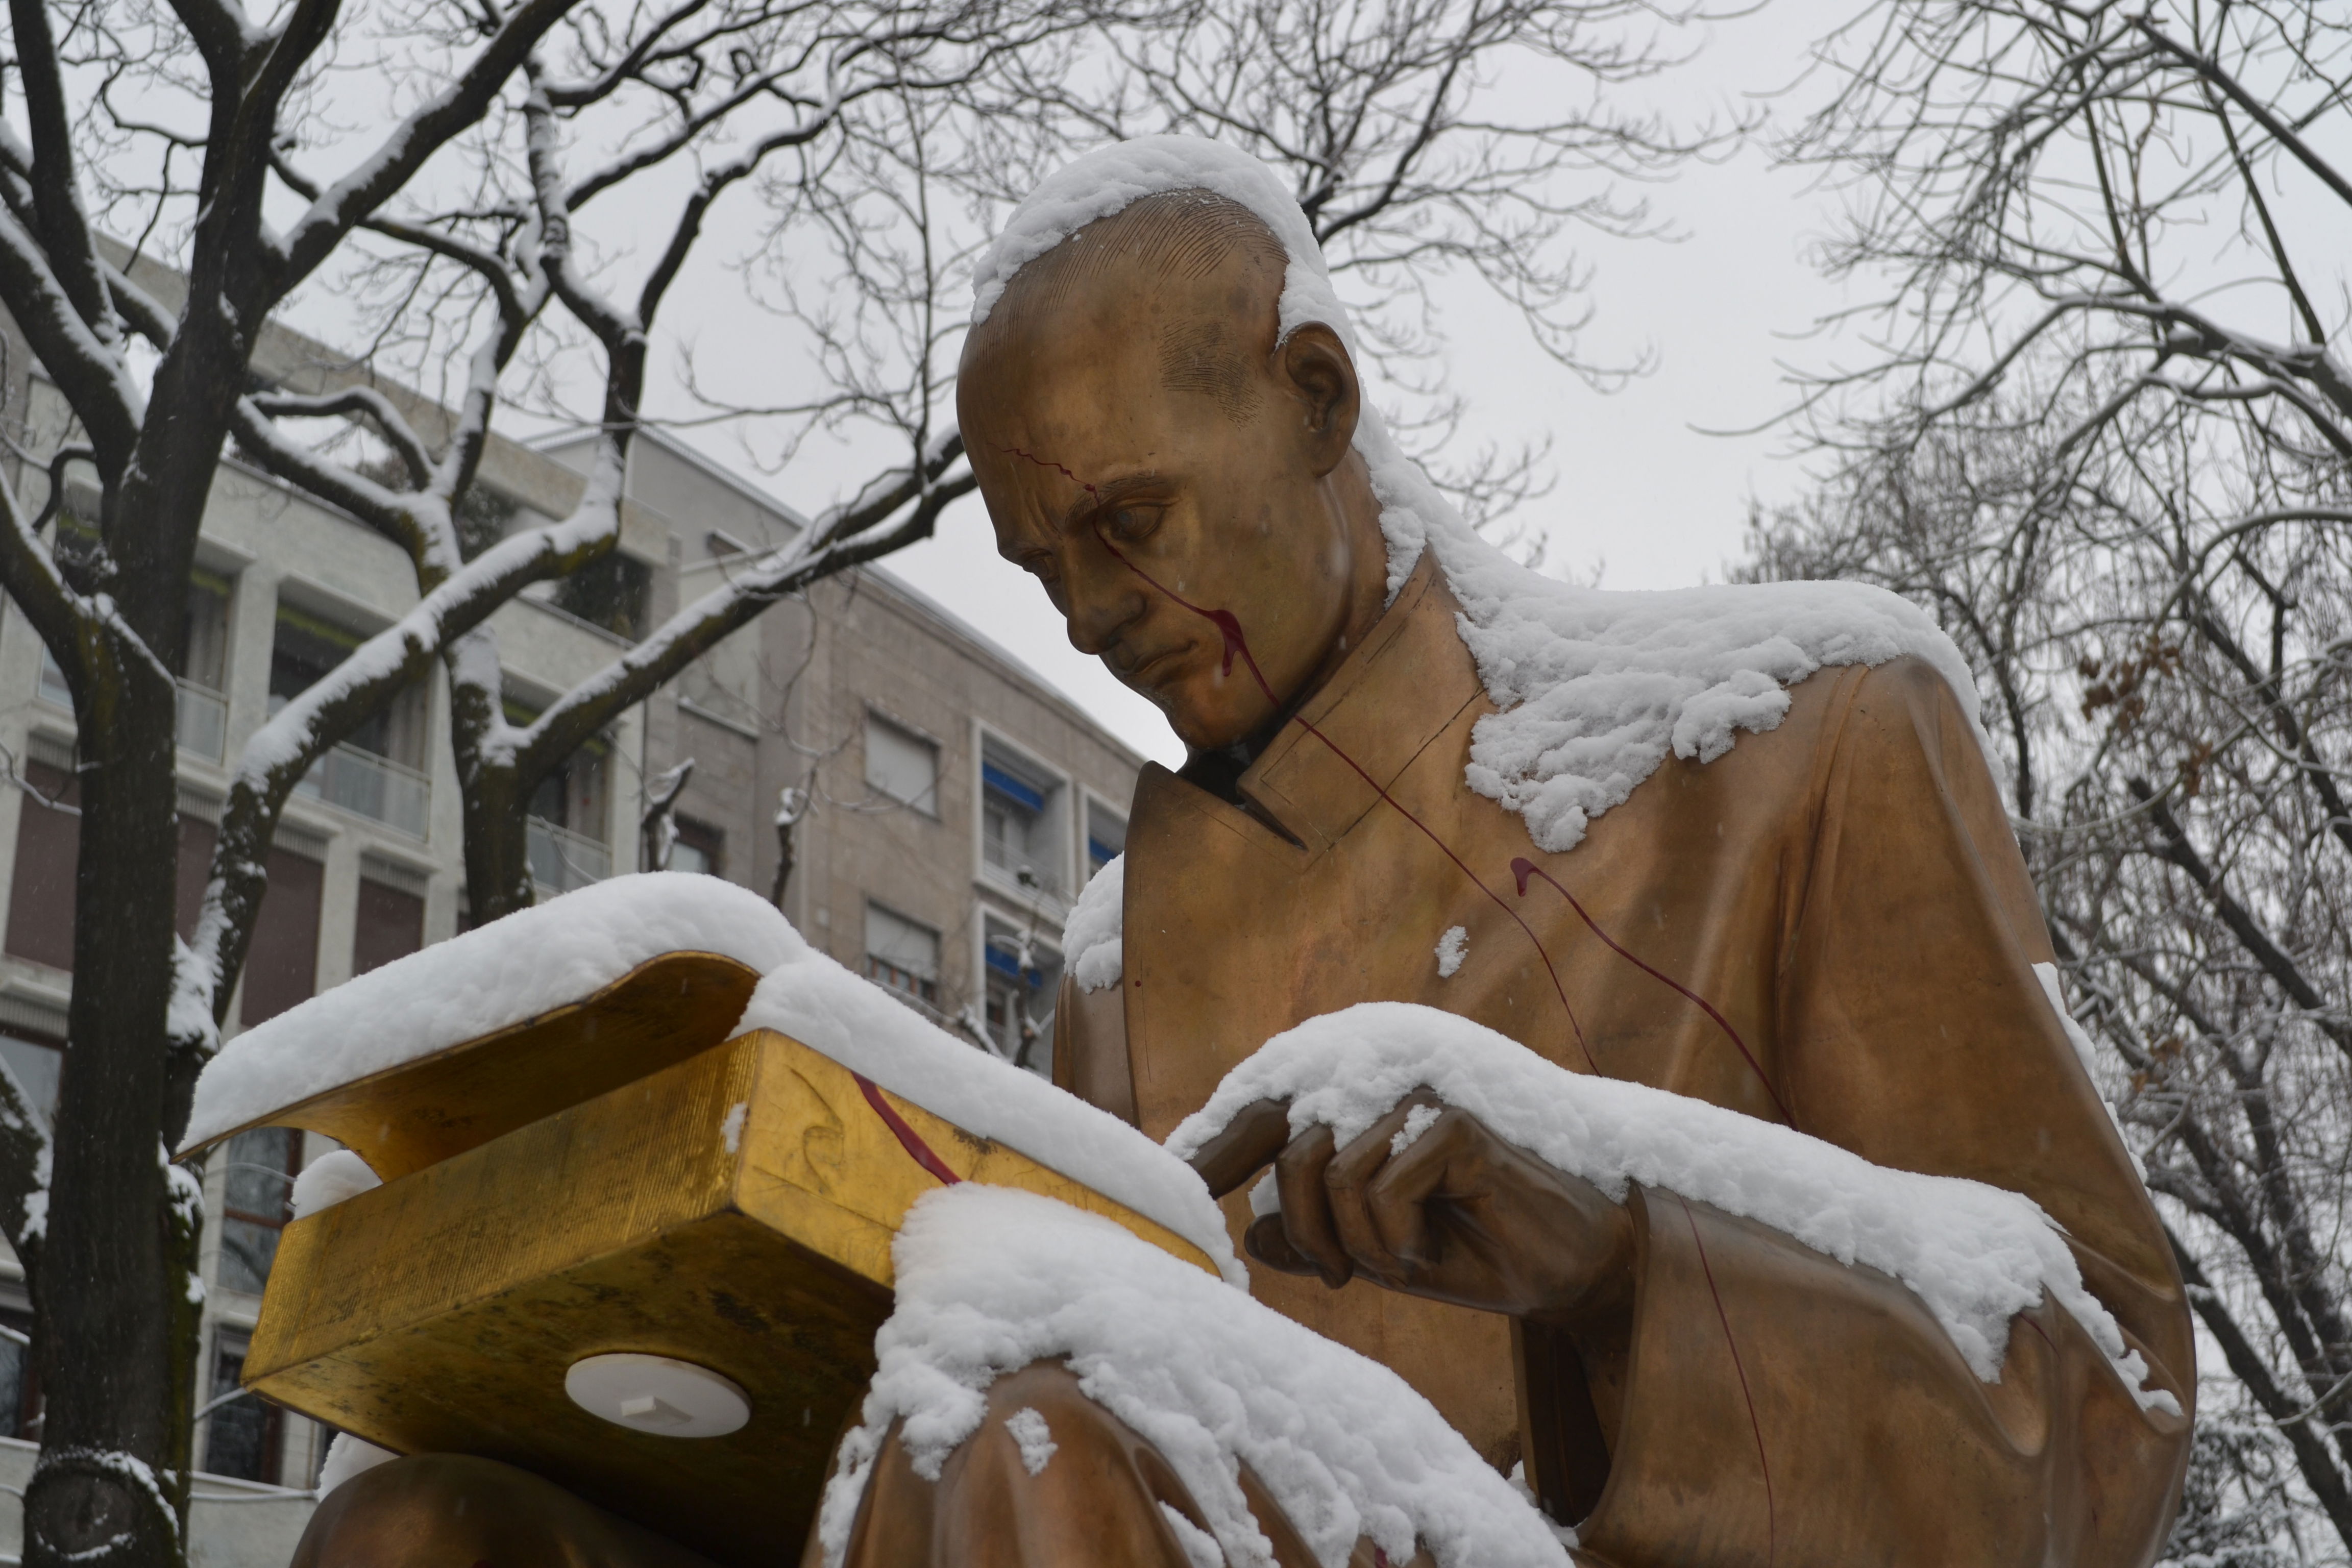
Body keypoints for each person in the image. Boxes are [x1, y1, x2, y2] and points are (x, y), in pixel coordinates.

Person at [293, 138, 2193, 1567]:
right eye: (1046, 573)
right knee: (429, 1533)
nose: (1095, 618)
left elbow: (2111, 1414)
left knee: (1029, 1448)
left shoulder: (1804, 738)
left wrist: (1621, 1253)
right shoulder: (1114, 982)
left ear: (1315, 404)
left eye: (1132, 522)